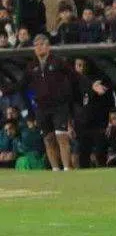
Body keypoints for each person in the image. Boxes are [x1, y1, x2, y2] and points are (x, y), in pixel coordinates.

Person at [0, 34, 79, 171]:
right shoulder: (32, 67)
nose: (39, 47)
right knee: (48, 139)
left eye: (42, 44)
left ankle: (67, 168)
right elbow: (20, 85)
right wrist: (2, 92)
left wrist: (90, 86)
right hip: (42, 108)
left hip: (59, 106)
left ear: (48, 47)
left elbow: (75, 76)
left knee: (61, 137)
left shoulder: (58, 62)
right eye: (36, 45)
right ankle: (55, 169)